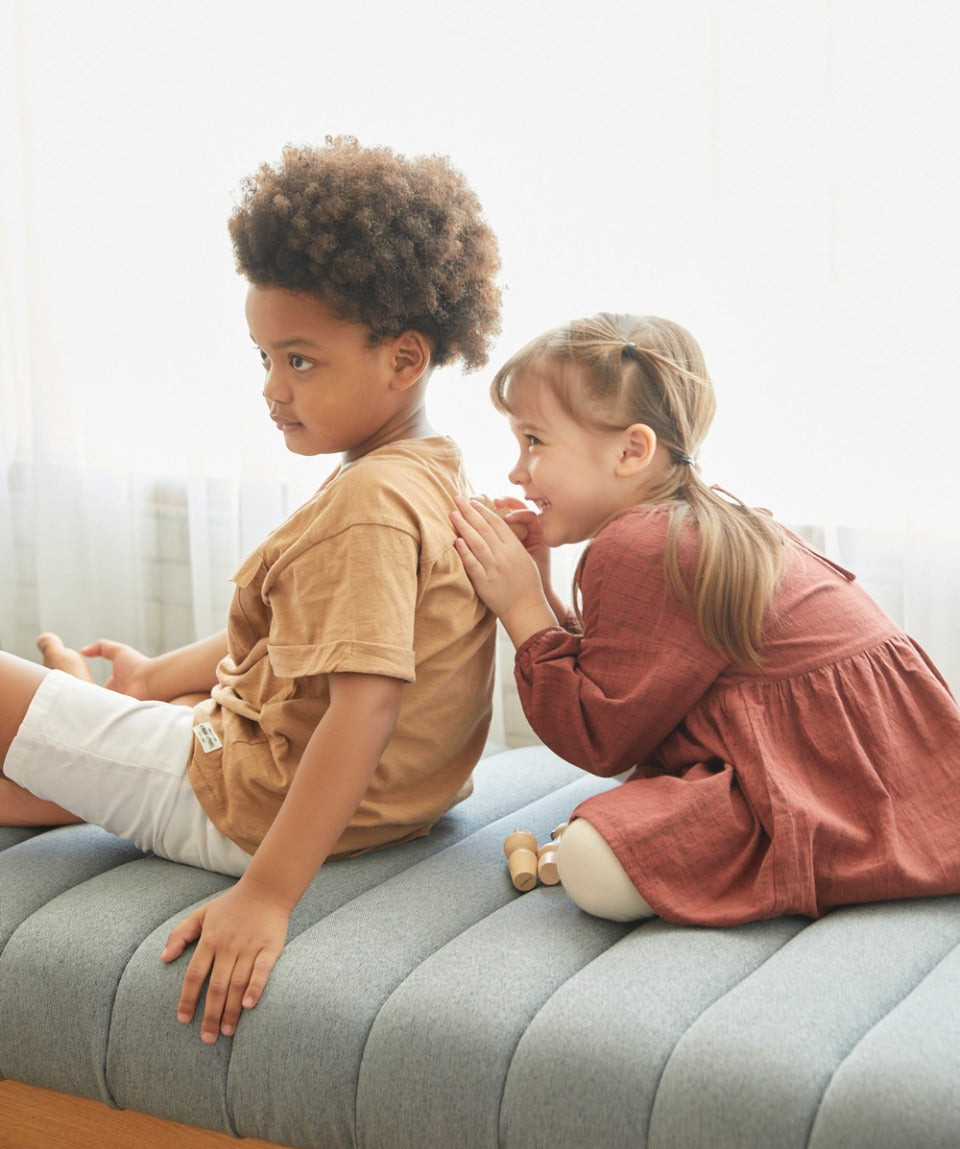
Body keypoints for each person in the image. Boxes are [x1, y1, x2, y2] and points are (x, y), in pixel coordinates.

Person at [0, 136, 501, 1043]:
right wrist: (154, 681)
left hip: (254, 806)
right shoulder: (427, 469)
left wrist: (266, 894)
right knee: (149, 714)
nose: (272, 388)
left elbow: (366, 704)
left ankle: (84, 718)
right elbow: (296, 644)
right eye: (264, 358)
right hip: (375, 805)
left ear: (403, 358)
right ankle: (95, 728)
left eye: (299, 361)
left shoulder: (370, 505)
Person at [451, 311, 960, 927]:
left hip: (822, 781)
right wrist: (541, 586)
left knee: (590, 858)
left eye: (534, 441)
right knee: (608, 833)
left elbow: (603, 737)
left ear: (631, 450)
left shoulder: (637, 546)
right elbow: (627, 677)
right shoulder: (700, 521)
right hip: (896, 768)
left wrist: (520, 607)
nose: (516, 471)